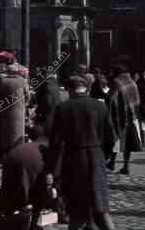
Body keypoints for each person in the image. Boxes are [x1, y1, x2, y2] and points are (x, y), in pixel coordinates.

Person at [48, 75, 116, 230]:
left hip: (75, 159)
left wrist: (53, 168)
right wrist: (104, 156)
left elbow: (56, 142)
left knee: (77, 210)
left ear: (70, 90)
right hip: (97, 157)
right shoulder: (101, 106)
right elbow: (111, 137)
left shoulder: (63, 108)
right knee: (101, 207)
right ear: (86, 88)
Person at [0, 64, 28, 164]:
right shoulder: (22, 81)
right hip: (19, 111)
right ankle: (18, 154)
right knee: (18, 134)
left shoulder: (3, 81)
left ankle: (6, 155)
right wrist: (24, 104)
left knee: (6, 134)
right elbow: (27, 95)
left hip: (5, 111)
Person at [107, 64, 142, 175]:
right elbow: (137, 99)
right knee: (129, 142)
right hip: (133, 115)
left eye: (111, 71)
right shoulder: (132, 81)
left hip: (120, 115)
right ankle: (126, 166)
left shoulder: (116, 82)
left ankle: (112, 162)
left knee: (116, 138)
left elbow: (111, 98)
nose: (110, 74)